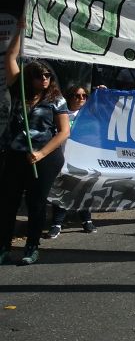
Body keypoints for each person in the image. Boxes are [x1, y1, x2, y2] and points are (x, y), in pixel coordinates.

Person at [0, 18, 71, 265]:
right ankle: (4, 246)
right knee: (8, 201)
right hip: (15, 154)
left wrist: (41, 154)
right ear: (29, 78)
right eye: (39, 76)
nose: (45, 79)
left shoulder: (56, 99)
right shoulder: (17, 90)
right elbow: (10, 56)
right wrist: (20, 31)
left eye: (48, 76)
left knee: (36, 202)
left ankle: (31, 246)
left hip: (44, 157)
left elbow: (63, 132)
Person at [46, 85, 96, 237]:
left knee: (83, 189)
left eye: (84, 96)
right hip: (63, 157)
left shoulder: (89, 114)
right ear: (69, 97)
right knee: (61, 190)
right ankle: (57, 224)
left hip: (83, 159)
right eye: (77, 95)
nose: (81, 98)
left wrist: (103, 91)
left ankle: (86, 220)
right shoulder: (61, 114)